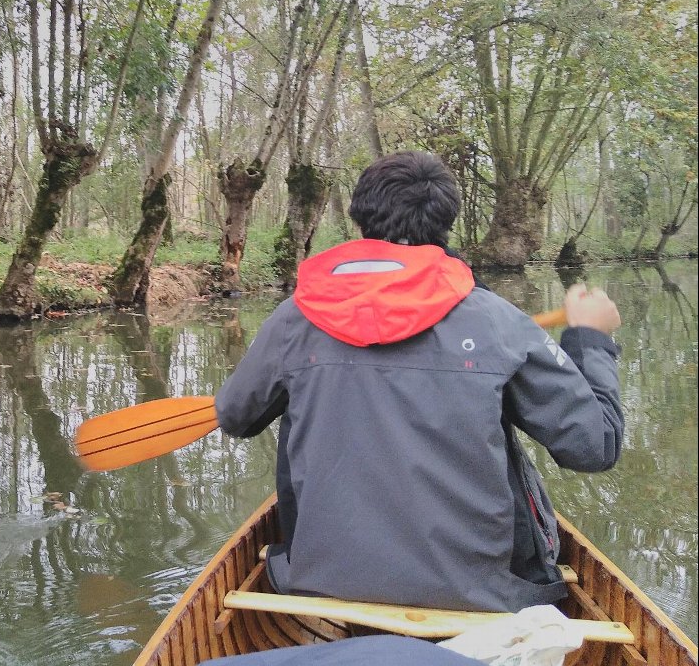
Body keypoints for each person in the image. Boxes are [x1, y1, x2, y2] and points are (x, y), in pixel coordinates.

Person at [215, 151, 623, 612]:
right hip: (484, 596)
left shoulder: (292, 319)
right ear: (445, 221)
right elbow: (595, 446)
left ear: (359, 217)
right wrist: (589, 339)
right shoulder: (497, 322)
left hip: (322, 585)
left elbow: (234, 417)